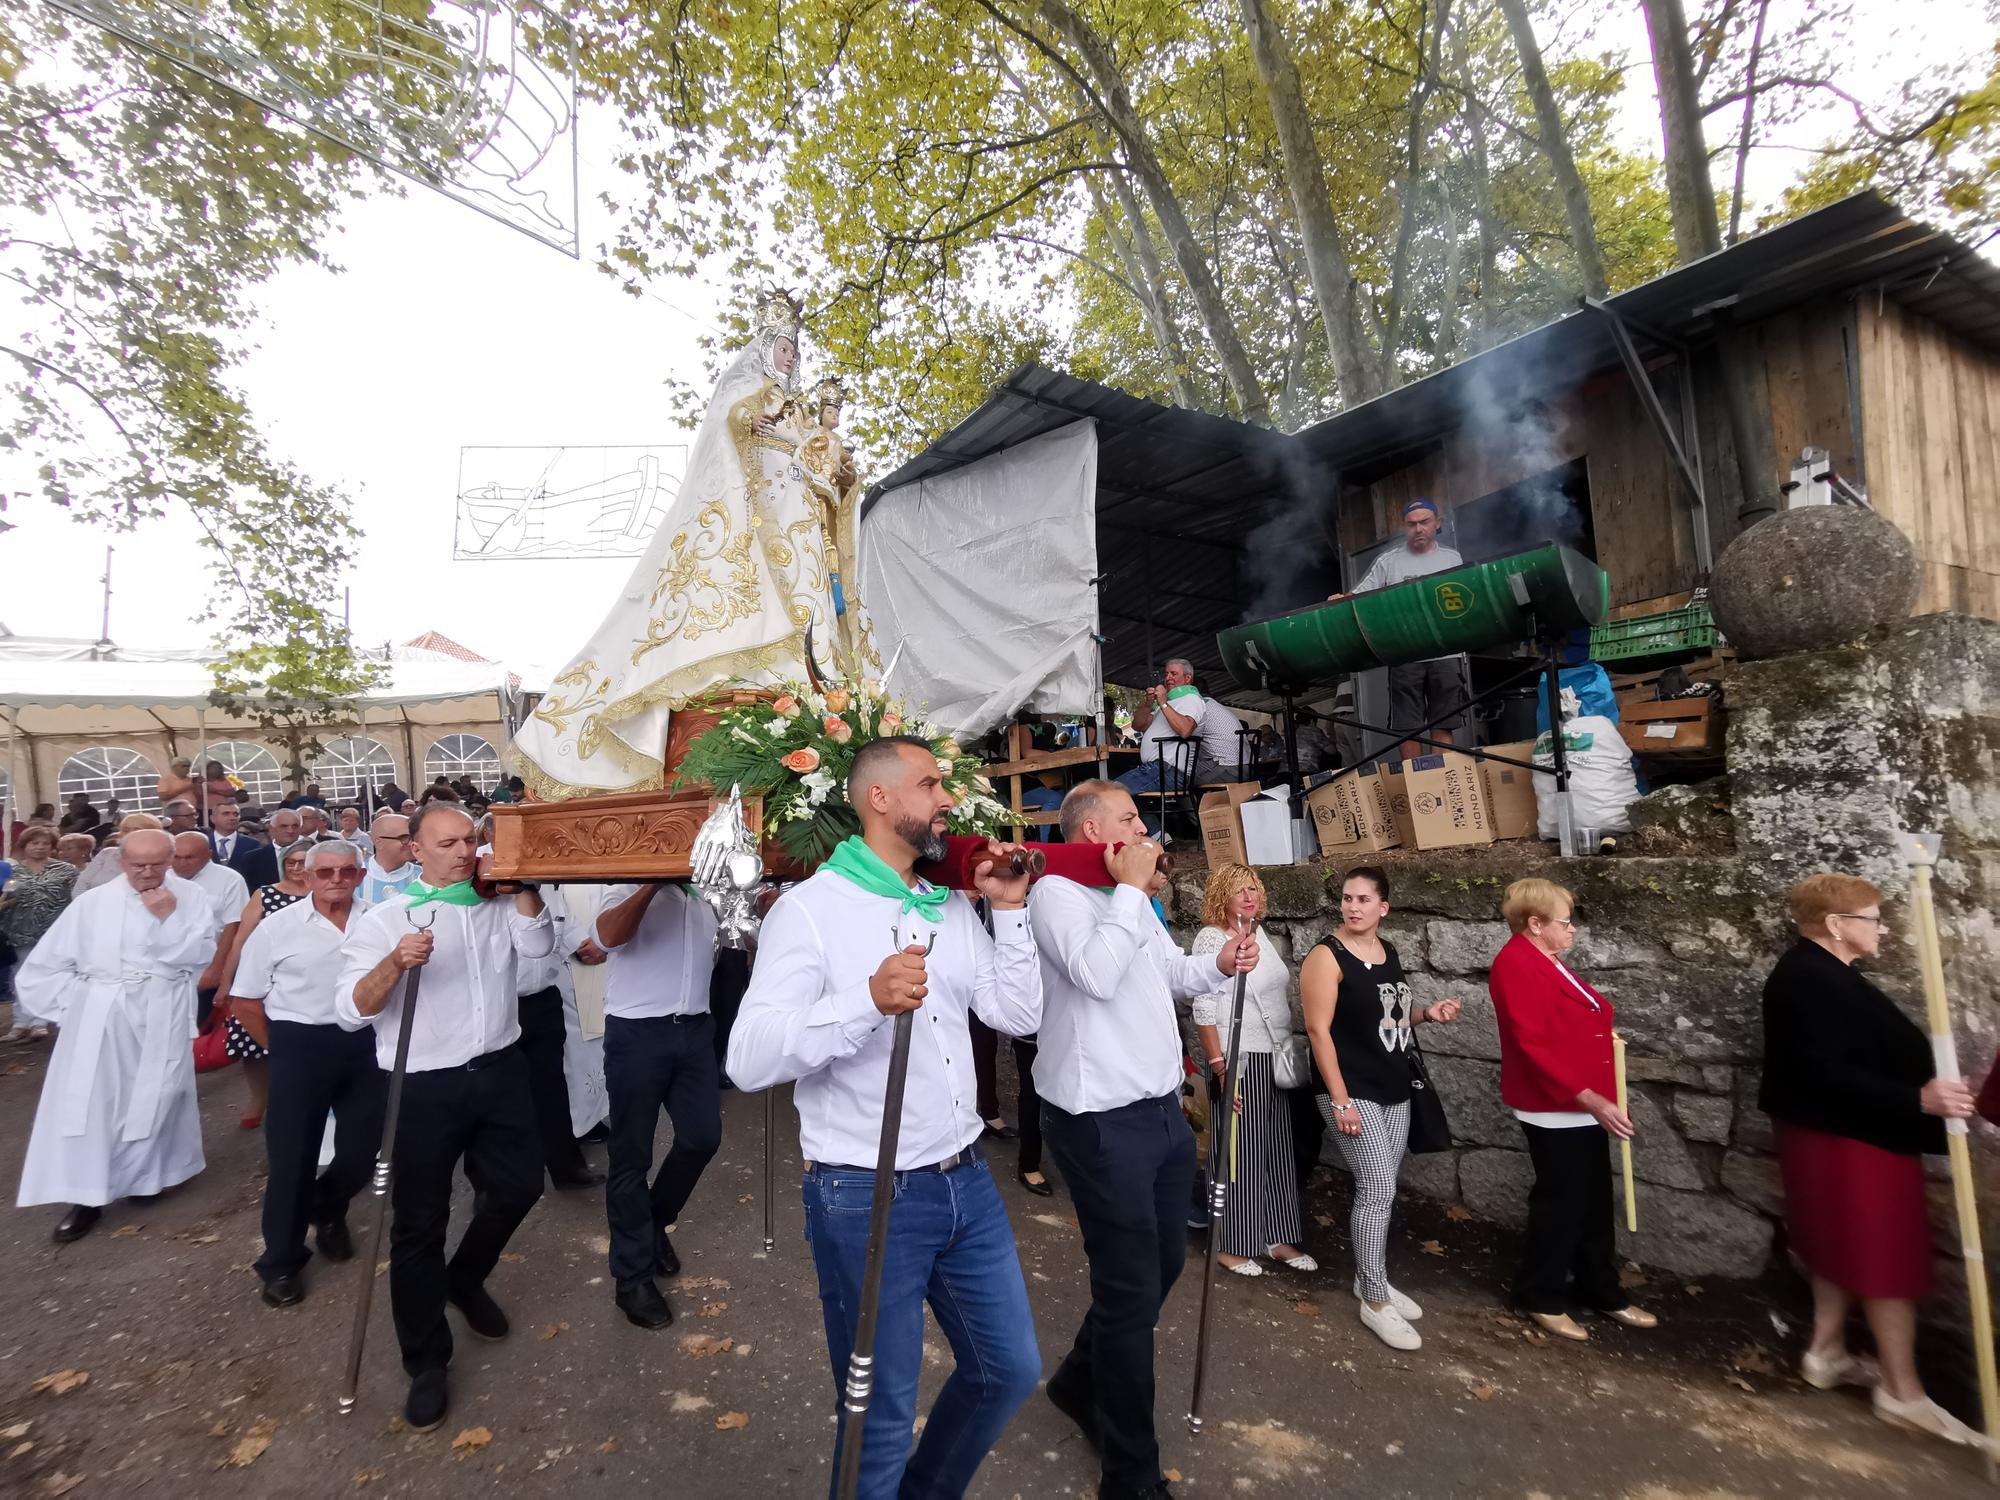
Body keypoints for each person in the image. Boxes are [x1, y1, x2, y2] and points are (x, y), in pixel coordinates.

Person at [726, 736, 1042, 1499]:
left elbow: (1019, 1015)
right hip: (866, 1192)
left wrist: (1010, 911)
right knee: (878, 1413)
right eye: (931, 786)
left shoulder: (949, 906)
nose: (947, 801)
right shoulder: (809, 912)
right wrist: (863, 1002)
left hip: (966, 1180)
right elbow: (748, 1057)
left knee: (1009, 1371)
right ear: (880, 799)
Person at [511, 289, 877, 800]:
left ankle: (812, 697)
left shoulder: (802, 413)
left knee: (809, 611)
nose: (792, 357)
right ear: (765, 347)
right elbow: (727, 424)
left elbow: (822, 466)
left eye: (797, 350)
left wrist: (837, 473)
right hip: (758, 515)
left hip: (801, 526)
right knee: (745, 606)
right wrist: (751, 423)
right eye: (784, 347)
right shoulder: (750, 391)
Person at [1030, 780, 1260, 1500]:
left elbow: (1168, 973)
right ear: (1094, 828)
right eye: (1130, 817)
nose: (1145, 828)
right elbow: (1097, 976)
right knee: (1130, 1293)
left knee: (1160, 1268)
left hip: (1161, 1110)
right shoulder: (1056, 894)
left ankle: (1075, 1379)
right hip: (1098, 1119)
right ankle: (1129, 1473)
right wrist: (1132, 892)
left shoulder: (1134, 901)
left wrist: (1218, 966)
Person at [335, 803, 554, 1433]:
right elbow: (351, 1008)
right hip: (421, 1083)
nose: (463, 851)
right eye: (448, 842)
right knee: (418, 1224)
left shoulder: (496, 902)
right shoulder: (385, 919)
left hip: (500, 1071)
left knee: (519, 1186)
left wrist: (526, 891)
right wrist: (394, 964)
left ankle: (464, 1279)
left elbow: (538, 961)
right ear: (417, 851)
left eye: (470, 839)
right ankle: (426, 1361)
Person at [1760, 873, 1983, 1447]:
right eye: (1872, 918)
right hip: (1850, 1136)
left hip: (1838, 1131)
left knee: (1839, 1241)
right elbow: (1818, 1069)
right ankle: (1902, 1392)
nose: (1882, 928)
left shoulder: (1820, 973)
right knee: (1884, 1255)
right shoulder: (1810, 977)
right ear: (1836, 925)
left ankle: (1827, 1351)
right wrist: (1918, 1098)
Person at [13, 830, 223, 1241]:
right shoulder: (91, 904)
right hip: (101, 1016)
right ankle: (88, 1196)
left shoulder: (191, 898)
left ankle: (147, 1177)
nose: (147, 873)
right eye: (138, 865)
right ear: (121, 861)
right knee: (96, 1103)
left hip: (161, 1008)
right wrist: (81, 1002)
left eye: (157, 864)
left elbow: (198, 956)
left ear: (171, 860)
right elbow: (44, 966)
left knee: (159, 1096)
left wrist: (168, 918)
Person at [1488, 879, 1657, 1342]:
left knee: (1594, 1203)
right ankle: (1539, 1293)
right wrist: (1590, 1096)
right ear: (1535, 924)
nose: (1573, 929)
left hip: (1580, 1102)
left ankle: (1600, 1288)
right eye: (1565, 922)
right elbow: (1531, 1044)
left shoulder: (1546, 959)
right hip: (1557, 1104)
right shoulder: (1516, 964)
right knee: (1561, 1205)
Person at [1300, 866, 1461, 1349]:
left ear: (1383, 908)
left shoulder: (1386, 952)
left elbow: (1389, 1016)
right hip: (1351, 1093)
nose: (1353, 907)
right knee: (1376, 1188)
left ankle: (1372, 1277)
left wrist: (1425, 1015)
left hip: (1395, 1087)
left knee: (1383, 1190)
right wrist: (1341, 1098)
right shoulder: (1325, 957)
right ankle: (1374, 1299)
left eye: (1364, 899)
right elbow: (1317, 1031)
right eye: (1347, 898)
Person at [232, 840, 385, 1307]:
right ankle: (280, 1261)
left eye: (346, 872)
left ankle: (330, 1207)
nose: (335, 880)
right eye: (325, 873)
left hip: (365, 1043)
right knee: (292, 1160)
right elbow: (245, 1000)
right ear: (307, 876)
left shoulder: (379, 919)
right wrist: (280, 1052)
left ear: (360, 875)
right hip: (299, 1044)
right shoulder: (277, 928)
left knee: (363, 1151)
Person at [593, 881, 720, 1328]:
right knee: (631, 1158)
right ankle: (631, 1279)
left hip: (695, 1029)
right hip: (637, 1032)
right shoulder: (621, 880)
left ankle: (652, 1222)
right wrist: (653, 881)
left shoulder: (703, 891)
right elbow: (608, 936)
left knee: (702, 1138)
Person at [1189, 862, 1315, 1280]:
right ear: (1221, 896)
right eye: (1240, 890)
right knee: (1239, 1153)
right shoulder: (1212, 938)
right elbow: (1204, 1006)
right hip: (1238, 1058)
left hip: (1276, 1057)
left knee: (1278, 1148)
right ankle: (1231, 1242)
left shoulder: (1259, 934)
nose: (1250, 896)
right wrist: (1220, 1067)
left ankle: (1276, 1235)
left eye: (1254, 889)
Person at [1333, 498, 1467, 760]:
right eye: (1412, 524)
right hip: (1405, 656)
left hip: (1446, 654)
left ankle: (1441, 779)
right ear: (1404, 527)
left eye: (1425, 522)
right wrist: (1341, 598)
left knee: (1444, 722)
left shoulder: (1452, 558)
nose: (1418, 529)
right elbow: (1360, 595)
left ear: (1437, 524)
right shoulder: (1389, 562)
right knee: (1408, 727)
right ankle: (1417, 783)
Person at [511, 885, 604, 1192]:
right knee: (499, 1095)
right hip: (503, 1004)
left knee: (551, 1089)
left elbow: (564, 920)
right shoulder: (489, 885)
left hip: (544, 999)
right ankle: (494, 1182)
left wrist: (584, 943)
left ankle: (566, 1168)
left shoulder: (543, 884)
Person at [217, 844, 312, 1129]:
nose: (296, 868)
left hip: (307, 982)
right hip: (264, 977)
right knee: (255, 1044)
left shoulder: (325, 891)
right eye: (291, 862)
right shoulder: (266, 893)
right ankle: (258, 1098)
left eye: (302, 863)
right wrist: (227, 982)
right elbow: (240, 940)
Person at [2, 826, 80, 1044]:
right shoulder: (14, 872)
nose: (39, 847)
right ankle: (20, 1022)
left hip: (55, 931)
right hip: (20, 931)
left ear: (53, 847)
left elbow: (79, 897)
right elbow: (8, 895)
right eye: (34, 843)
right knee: (21, 976)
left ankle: (40, 1022)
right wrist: (6, 901)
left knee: (51, 974)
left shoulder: (66, 870)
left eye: (45, 843)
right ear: (24, 846)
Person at [170, 832, 247, 1025]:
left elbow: (233, 926)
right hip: (168, 972)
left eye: (189, 857)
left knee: (200, 1032)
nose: (181, 863)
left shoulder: (229, 879)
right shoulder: (162, 878)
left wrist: (217, 968)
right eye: (176, 857)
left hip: (206, 970)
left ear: (209, 854)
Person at [73, 813, 165, 895]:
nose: (129, 834)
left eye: (137, 830)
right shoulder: (107, 853)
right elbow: (81, 886)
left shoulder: (160, 860)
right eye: (125, 830)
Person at [358, 812, 420, 907]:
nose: (412, 844)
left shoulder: (424, 876)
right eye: (405, 838)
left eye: (414, 838)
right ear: (379, 843)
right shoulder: (354, 876)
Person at [241, 808, 304, 890]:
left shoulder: (312, 854)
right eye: (284, 826)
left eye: (295, 826)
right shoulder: (252, 858)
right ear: (271, 829)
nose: (290, 830)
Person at [205, 800, 260, 880]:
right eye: (226, 814)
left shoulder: (252, 845)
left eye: (236, 814)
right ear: (213, 818)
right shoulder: (202, 844)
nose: (232, 818)